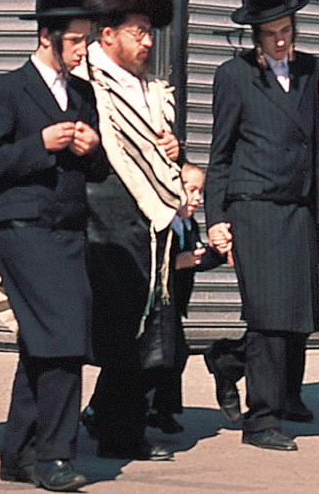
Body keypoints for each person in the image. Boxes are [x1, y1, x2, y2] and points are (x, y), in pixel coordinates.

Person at [0, 0, 107, 492]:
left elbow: (97, 169)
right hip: (24, 230)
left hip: (69, 229)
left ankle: (19, 457)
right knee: (65, 338)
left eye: (87, 40)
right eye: (75, 41)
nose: (83, 50)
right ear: (46, 37)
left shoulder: (83, 94)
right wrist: (41, 145)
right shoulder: (7, 89)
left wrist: (92, 148)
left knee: (43, 345)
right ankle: (55, 455)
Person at [203, 0, 319, 452]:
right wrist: (216, 216)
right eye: (270, 33)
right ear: (255, 35)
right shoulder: (233, 75)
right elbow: (219, 154)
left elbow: (315, 153)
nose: (280, 40)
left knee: (295, 315)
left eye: (286, 30)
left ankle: (229, 361)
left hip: (298, 209)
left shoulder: (309, 71)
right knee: (267, 315)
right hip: (252, 206)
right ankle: (261, 420)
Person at [77, 0, 184, 462]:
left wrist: (176, 152)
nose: (148, 42)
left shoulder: (151, 92)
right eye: (138, 33)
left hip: (148, 228)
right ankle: (111, 431)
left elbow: (155, 153)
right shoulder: (87, 84)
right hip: (102, 225)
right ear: (108, 36)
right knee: (111, 335)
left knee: (142, 337)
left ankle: (116, 425)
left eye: (149, 32)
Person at [144, 163, 225, 434]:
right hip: (155, 302)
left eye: (200, 192)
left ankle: (161, 409)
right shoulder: (162, 222)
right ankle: (107, 408)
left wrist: (219, 254)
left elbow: (196, 259)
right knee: (159, 355)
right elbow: (153, 260)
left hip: (174, 303)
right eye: (191, 190)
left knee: (175, 354)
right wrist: (179, 261)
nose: (197, 198)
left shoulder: (188, 225)